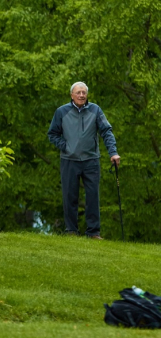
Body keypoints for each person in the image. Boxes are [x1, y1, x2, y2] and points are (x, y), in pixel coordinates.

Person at [47, 82, 119, 239]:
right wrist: (65, 146)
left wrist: (113, 153)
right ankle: (71, 230)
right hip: (69, 160)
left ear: (87, 95)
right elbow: (52, 134)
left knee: (92, 196)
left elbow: (106, 131)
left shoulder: (95, 110)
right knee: (69, 196)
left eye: (84, 93)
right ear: (72, 95)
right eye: (78, 92)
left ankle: (93, 232)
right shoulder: (62, 111)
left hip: (91, 160)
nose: (81, 95)